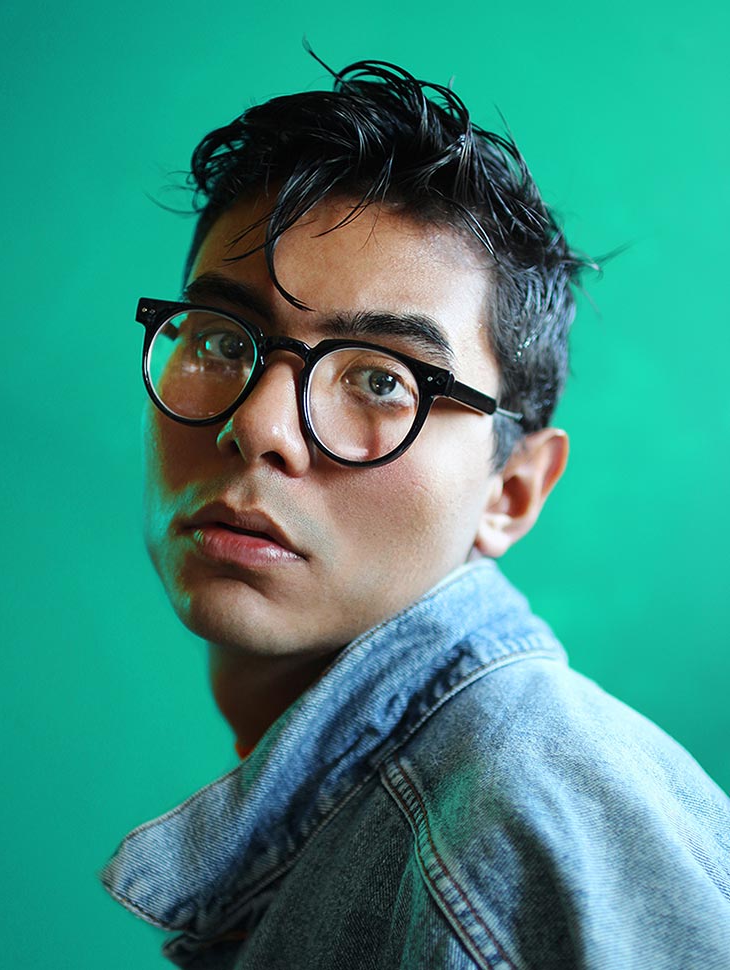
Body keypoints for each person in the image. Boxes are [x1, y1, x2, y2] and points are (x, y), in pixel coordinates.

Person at [100, 52, 730, 968]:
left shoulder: (514, 823)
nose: (259, 424)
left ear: (512, 492)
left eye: (380, 380)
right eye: (222, 341)